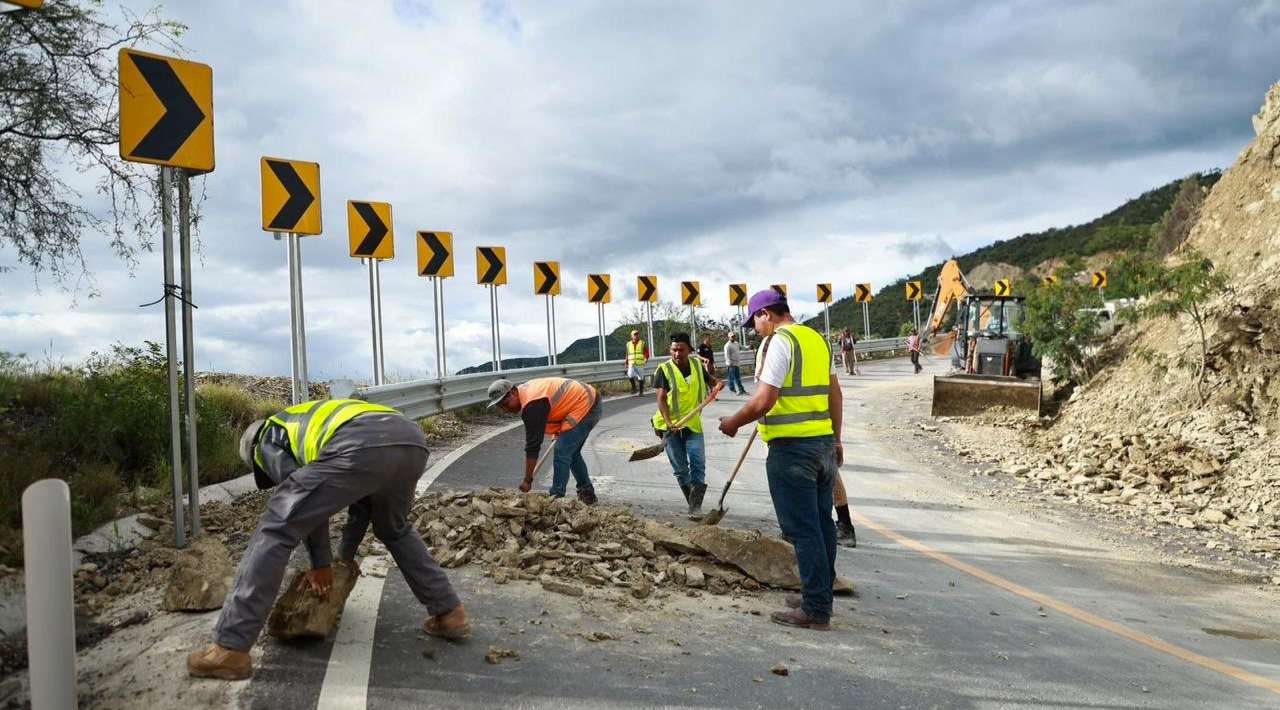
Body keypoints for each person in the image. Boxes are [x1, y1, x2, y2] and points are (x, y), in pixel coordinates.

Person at [188, 399, 466, 680]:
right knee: (394, 529)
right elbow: (362, 503)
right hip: (410, 440)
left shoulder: (267, 438)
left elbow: (300, 509)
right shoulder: (306, 420)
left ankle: (230, 648)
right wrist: (343, 559)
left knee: (277, 526)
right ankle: (449, 612)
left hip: (361, 441)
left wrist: (321, 564)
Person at [718, 289, 843, 631]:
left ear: (767, 314)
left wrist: (733, 422)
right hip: (822, 445)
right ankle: (820, 594)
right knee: (822, 524)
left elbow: (764, 399)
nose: (754, 329)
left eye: (754, 321)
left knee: (803, 530)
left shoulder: (778, 342)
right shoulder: (817, 340)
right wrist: (836, 438)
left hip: (792, 451)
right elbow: (835, 393)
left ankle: (815, 609)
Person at [488, 376, 600, 504]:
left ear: (513, 392)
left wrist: (527, 480)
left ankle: (556, 498)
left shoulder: (533, 403)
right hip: (576, 402)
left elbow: (533, 446)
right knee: (571, 452)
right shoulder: (526, 398)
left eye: (505, 404)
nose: (505, 409)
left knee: (562, 450)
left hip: (586, 403)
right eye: (501, 407)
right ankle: (587, 493)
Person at [653, 333, 722, 514]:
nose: (677, 353)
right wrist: (669, 423)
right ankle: (692, 504)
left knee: (698, 462)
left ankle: (695, 506)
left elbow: (711, 380)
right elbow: (661, 398)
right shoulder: (664, 370)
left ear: (689, 350)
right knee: (681, 469)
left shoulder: (697, 365)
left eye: (681, 350)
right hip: (669, 426)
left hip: (692, 423)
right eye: (674, 350)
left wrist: (717, 383)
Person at [625, 329, 650, 396]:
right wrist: (626, 362)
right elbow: (627, 354)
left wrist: (646, 359)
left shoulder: (642, 343)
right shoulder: (628, 344)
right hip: (631, 363)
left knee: (641, 377)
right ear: (631, 336)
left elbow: (646, 353)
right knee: (630, 374)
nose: (636, 336)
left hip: (640, 363)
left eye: (637, 334)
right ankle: (634, 388)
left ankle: (641, 392)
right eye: (635, 334)